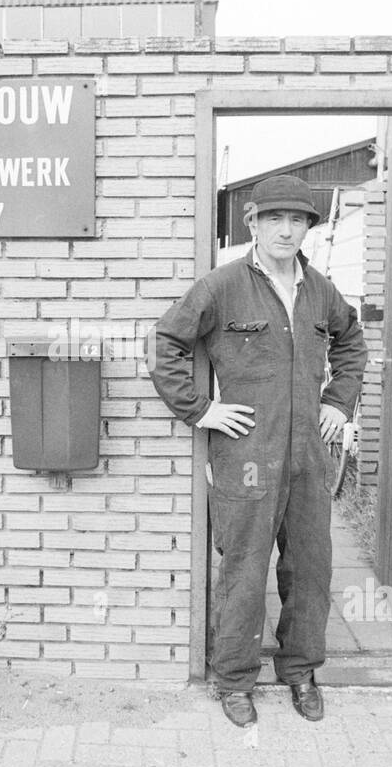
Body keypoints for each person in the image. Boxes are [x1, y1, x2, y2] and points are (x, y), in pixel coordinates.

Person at [147, 174, 368, 726]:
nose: (286, 230)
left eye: (298, 220)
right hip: (245, 452)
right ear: (252, 223)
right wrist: (200, 410)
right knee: (244, 569)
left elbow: (352, 340)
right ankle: (235, 679)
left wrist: (339, 402)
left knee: (311, 567)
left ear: (309, 229)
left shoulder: (320, 290)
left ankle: (300, 671)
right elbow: (167, 343)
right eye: (274, 219)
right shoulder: (223, 286)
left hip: (308, 457)